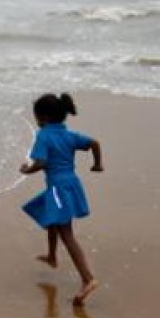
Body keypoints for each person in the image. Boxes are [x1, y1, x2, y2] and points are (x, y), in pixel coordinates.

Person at [19, 92, 103, 306]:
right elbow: (94, 142)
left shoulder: (44, 135)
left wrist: (27, 170)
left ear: (43, 117)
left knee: (67, 234)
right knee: (51, 219)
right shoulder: (69, 135)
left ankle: (88, 279)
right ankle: (52, 256)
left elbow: (40, 162)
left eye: (36, 117)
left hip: (58, 188)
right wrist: (97, 164)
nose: (36, 121)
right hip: (71, 184)